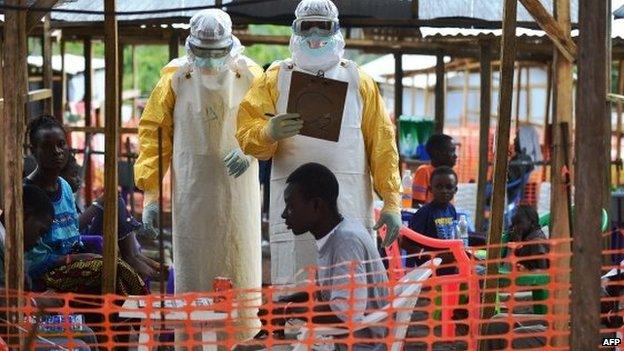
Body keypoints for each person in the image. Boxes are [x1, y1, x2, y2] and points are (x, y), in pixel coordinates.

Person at [236, 0, 401, 289]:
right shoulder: (275, 78)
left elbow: (382, 143)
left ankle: (345, 335)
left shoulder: (359, 80)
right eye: (306, 26)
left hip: (347, 202)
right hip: (294, 204)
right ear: (295, 29)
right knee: (298, 284)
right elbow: (248, 132)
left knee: (347, 285)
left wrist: (392, 200)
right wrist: (267, 131)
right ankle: (299, 334)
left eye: (322, 27)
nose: (314, 35)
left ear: (335, 29)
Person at [133, 9, 263, 339]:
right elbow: (153, 135)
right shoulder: (174, 79)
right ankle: (189, 342)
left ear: (230, 46)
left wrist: (251, 149)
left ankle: (241, 339)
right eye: (202, 53)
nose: (208, 61)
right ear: (192, 48)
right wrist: (150, 194)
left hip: (238, 194)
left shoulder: (250, 76)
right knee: (195, 276)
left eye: (216, 53)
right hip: (192, 194)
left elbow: (268, 123)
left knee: (239, 271)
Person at [244, 163, 389, 351]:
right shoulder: (338, 232)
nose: (284, 214)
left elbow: (346, 313)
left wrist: (286, 310)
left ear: (316, 205)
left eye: (291, 206)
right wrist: (285, 303)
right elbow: (329, 294)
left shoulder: (346, 241)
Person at [0, 184, 98, 351]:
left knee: (86, 332)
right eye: (40, 231)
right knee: (80, 347)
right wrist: (35, 301)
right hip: (7, 334)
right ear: (24, 216)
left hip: (16, 324)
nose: (39, 241)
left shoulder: (11, 246)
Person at [61, 153, 159, 280]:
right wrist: (98, 203)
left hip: (87, 239)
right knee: (110, 200)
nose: (79, 179)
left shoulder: (68, 197)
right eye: (74, 175)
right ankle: (131, 256)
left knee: (115, 199)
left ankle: (134, 255)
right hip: (80, 247)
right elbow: (71, 229)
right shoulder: (59, 200)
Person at [402, 166, 458, 268]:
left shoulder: (452, 210)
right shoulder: (424, 213)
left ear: (455, 190)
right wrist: (429, 256)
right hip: (429, 267)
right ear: (430, 189)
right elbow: (405, 243)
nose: (444, 191)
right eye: (439, 187)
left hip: (446, 263)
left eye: (449, 187)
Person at [412, 134, 457, 207]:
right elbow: (417, 203)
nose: (455, 156)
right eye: (452, 151)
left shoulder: (450, 175)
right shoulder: (424, 171)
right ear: (437, 153)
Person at [509, 205, 549, 271]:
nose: (515, 227)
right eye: (514, 224)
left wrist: (526, 270)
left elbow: (543, 271)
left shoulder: (537, 243)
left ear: (532, 223)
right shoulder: (523, 238)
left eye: (519, 223)